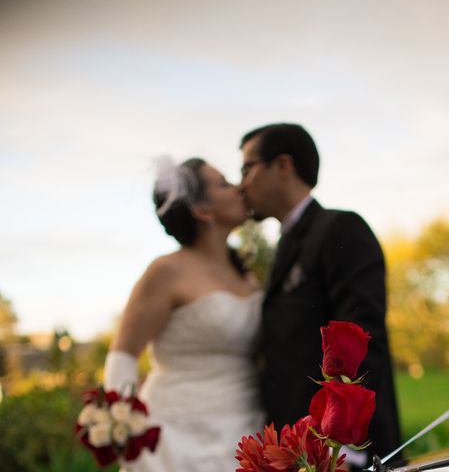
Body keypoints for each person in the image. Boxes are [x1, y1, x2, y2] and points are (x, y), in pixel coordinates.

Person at [239, 123, 401, 468]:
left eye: (247, 168)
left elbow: (362, 342)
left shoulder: (340, 229)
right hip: (302, 449)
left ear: (282, 165)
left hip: (341, 454)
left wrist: (346, 450)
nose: (242, 184)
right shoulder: (285, 245)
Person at [103, 157, 264, 471]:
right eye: (224, 183)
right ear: (202, 210)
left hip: (246, 428)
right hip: (175, 440)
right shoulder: (166, 271)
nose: (238, 188)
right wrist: (124, 432)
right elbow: (122, 357)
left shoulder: (247, 276)